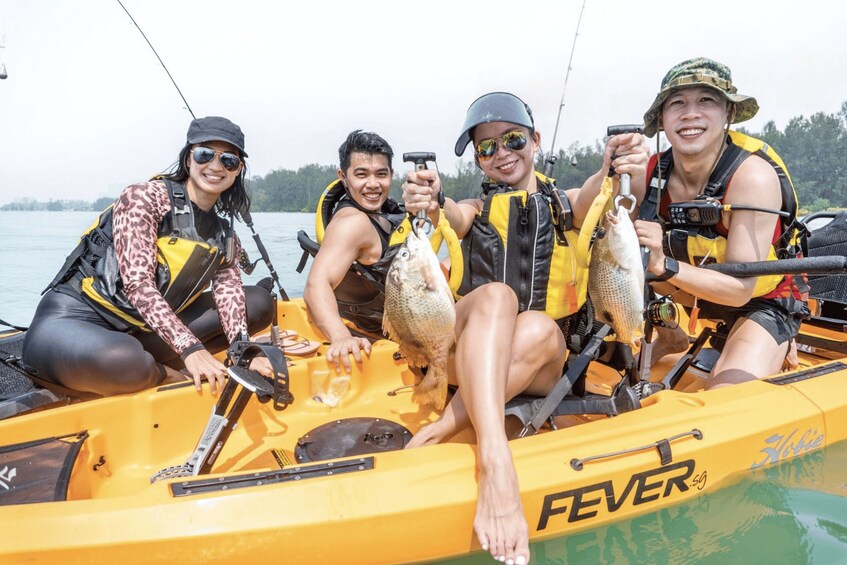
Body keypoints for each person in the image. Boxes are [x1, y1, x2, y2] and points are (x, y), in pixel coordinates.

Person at [402, 92, 648, 565]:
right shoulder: (474, 208)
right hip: (467, 355)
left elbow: (595, 192)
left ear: (535, 140)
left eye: (512, 139)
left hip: (539, 362)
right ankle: (496, 459)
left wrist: (616, 166)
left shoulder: (566, 204)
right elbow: (448, 214)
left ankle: (446, 429)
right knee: (497, 296)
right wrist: (430, 200)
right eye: (486, 148)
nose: (501, 153)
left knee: (536, 326)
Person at [23, 116, 275, 397]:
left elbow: (229, 293)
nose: (216, 167)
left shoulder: (225, 234)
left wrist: (243, 351)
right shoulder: (143, 197)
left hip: (141, 331)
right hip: (74, 320)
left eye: (228, 160)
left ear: (238, 170)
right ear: (188, 158)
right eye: (205, 154)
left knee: (259, 302)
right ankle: (165, 372)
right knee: (123, 361)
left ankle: (150, 364)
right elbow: (138, 285)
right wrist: (191, 348)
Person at [633, 57, 809, 388]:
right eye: (677, 103)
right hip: (688, 295)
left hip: (759, 301)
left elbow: (740, 290)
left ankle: (774, 339)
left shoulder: (752, 177)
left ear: (729, 112)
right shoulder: (650, 172)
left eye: (706, 101)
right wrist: (609, 172)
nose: (690, 114)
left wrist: (663, 264)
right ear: (662, 119)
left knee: (726, 392)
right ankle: (671, 335)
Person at [303, 130, 410, 373]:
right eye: (361, 174)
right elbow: (316, 284)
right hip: (378, 332)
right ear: (343, 176)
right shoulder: (352, 223)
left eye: (381, 174)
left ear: (391, 175)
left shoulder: (382, 213)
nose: (373, 184)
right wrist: (341, 336)